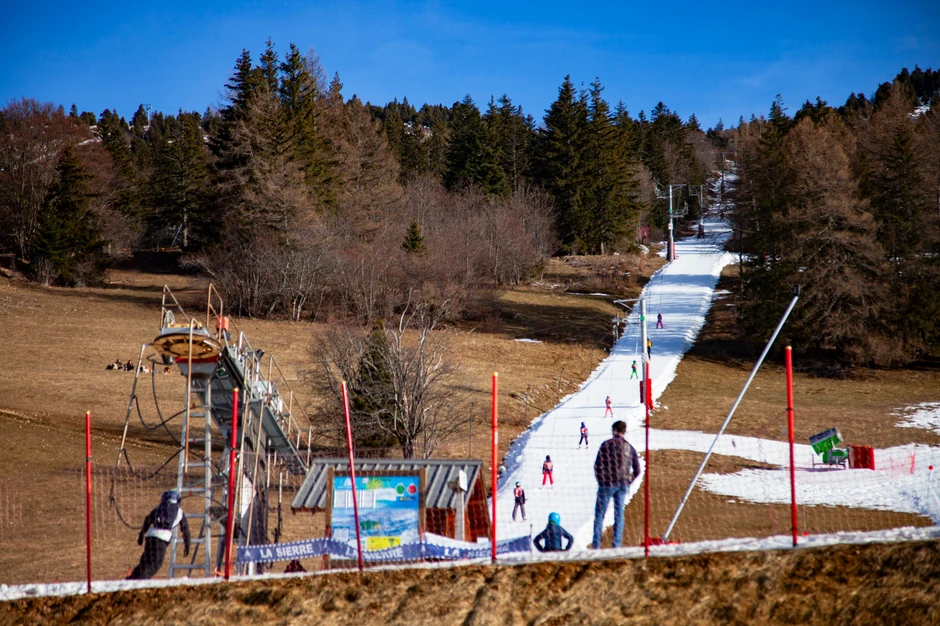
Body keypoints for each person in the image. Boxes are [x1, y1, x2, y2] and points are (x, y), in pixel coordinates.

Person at [591, 420, 641, 549]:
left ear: (614, 430)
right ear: (624, 431)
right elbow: (637, 470)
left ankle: (596, 545)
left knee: (599, 515)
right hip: (623, 484)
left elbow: (597, 465)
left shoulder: (606, 445)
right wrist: (628, 481)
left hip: (606, 483)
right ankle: (616, 545)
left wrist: (600, 480)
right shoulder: (629, 448)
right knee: (619, 514)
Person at [128, 490, 191, 579]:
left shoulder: (159, 507)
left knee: (144, 563)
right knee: (154, 564)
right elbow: (185, 530)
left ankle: (130, 579)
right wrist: (187, 545)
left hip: (150, 537)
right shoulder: (179, 511)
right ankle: (140, 582)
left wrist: (141, 536)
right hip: (161, 539)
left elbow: (148, 520)